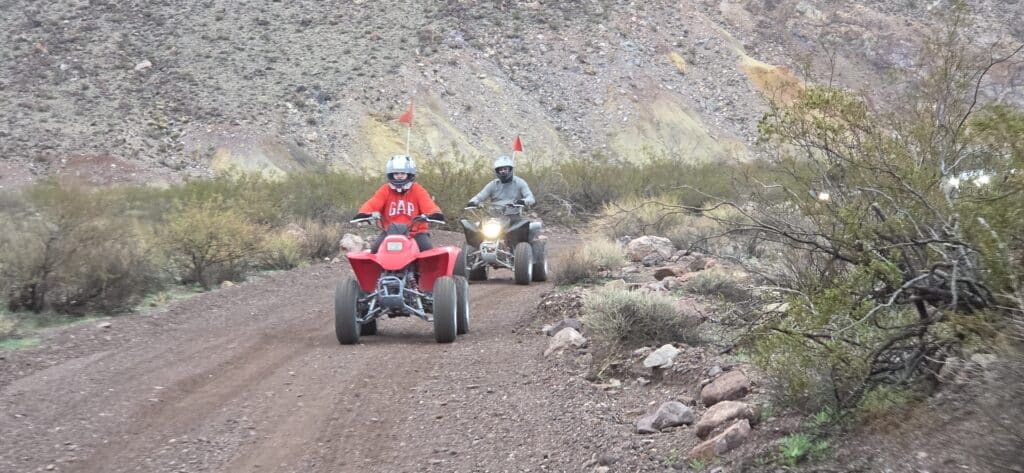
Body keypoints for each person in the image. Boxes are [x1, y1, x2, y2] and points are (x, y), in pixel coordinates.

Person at [353, 155, 444, 253]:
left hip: (416, 233)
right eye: (396, 173)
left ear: (409, 174)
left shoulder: (417, 190)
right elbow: (374, 203)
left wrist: (435, 213)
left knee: (428, 253)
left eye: (402, 173)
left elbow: (428, 204)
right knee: (375, 251)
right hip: (390, 233)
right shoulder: (385, 190)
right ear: (391, 175)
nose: (399, 176)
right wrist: (364, 213)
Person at [466, 155, 535, 222]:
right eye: (500, 170)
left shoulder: (520, 182)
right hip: (493, 218)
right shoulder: (493, 184)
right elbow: (480, 196)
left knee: (522, 229)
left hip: (513, 217)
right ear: (497, 171)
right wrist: (473, 202)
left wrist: (523, 201)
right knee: (477, 229)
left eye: (505, 169)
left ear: (510, 169)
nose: (503, 171)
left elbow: (530, 198)